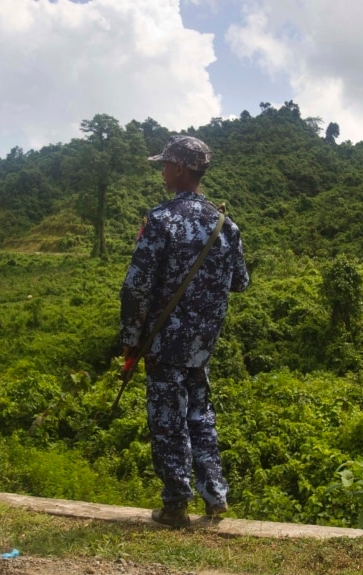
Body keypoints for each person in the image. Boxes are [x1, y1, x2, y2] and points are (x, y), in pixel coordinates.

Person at [119, 135, 250, 527]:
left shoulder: (160, 221)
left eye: (165, 165)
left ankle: (176, 504)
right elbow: (240, 282)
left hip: (163, 342)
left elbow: (136, 287)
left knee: (167, 419)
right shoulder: (226, 225)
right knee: (200, 414)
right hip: (201, 345)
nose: (162, 172)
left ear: (179, 169)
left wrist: (130, 340)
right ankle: (215, 496)